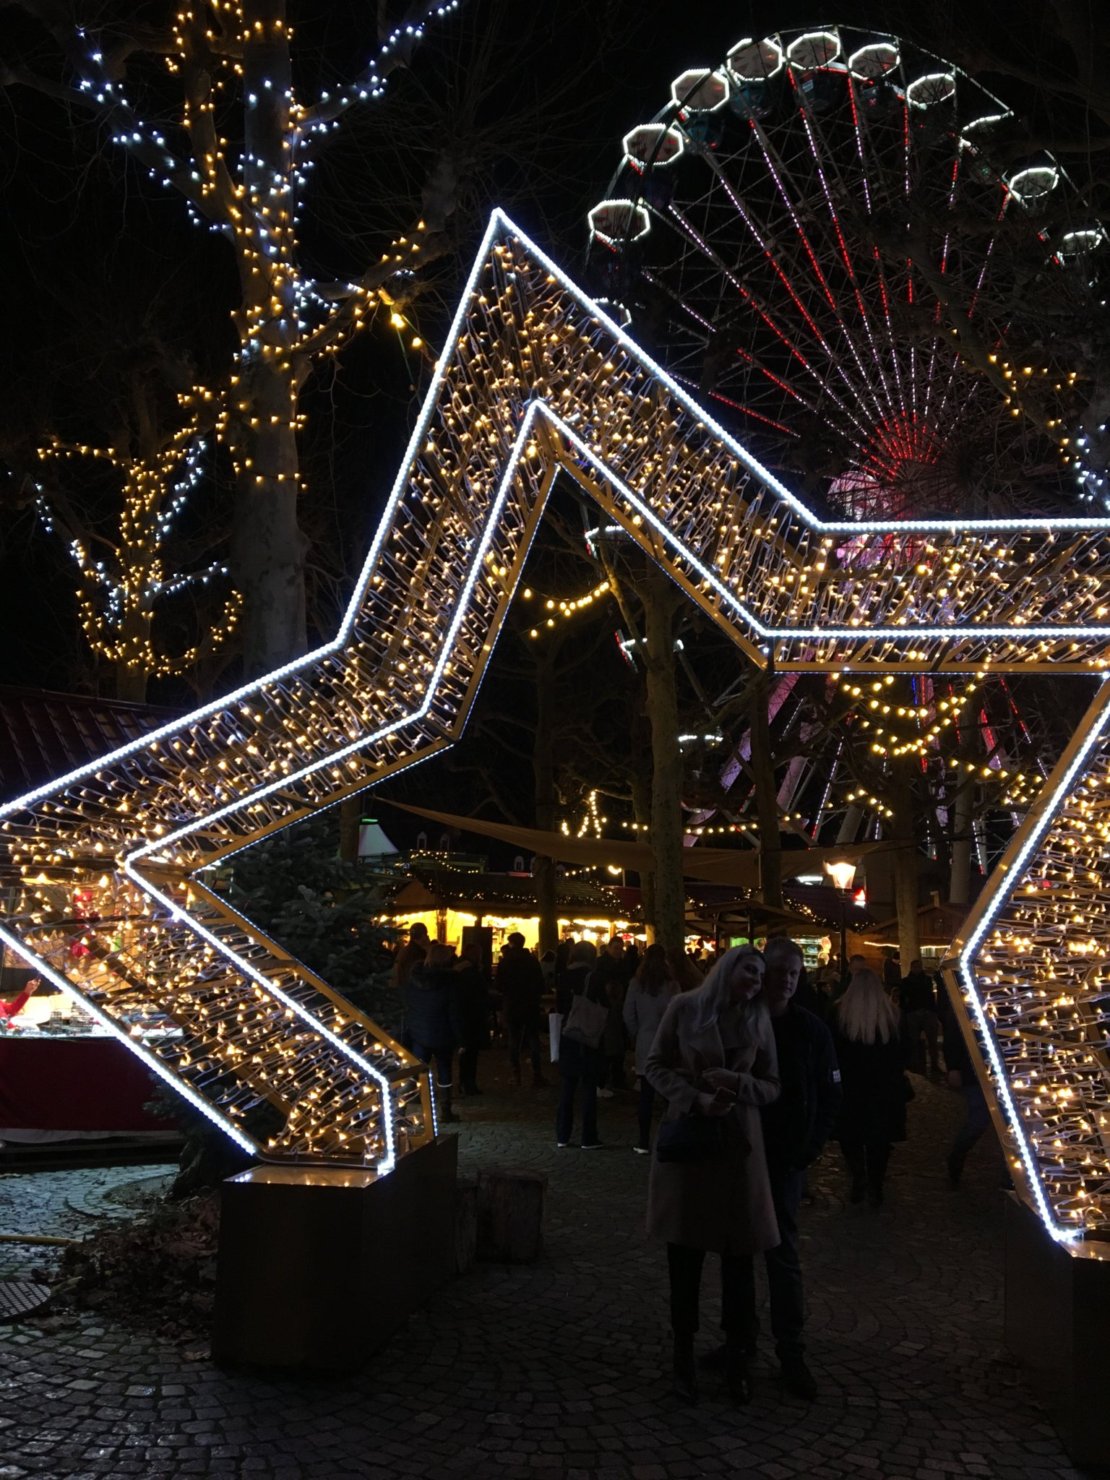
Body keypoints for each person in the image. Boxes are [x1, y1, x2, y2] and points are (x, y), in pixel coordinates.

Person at [645, 945, 780, 1406]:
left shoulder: (758, 1020)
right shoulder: (684, 1008)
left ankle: (737, 1359)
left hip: (738, 1151)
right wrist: (695, 1098)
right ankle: (682, 1357)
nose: (757, 980)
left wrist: (737, 1084)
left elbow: (772, 1084)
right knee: (683, 1258)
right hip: (690, 1147)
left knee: (739, 1263)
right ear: (727, 968)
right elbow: (654, 1064)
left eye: (762, 975)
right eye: (750, 969)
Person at [747, 937, 840, 1399]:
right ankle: (739, 1342)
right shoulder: (744, 1022)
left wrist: (812, 1146)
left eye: (794, 973)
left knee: (782, 1256)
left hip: (787, 1159)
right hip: (744, 1154)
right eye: (780, 971)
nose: (786, 980)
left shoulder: (812, 1031)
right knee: (738, 1252)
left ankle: (791, 1350)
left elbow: (829, 1093)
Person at [832, 967, 908, 1206]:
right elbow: (905, 1052)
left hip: (851, 1087)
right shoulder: (892, 1016)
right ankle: (876, 1183)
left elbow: (832, 1051)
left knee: (851, 1136)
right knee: (880, 1139)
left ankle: (858, 1176)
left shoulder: (839, 1014)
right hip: (885, 1087)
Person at [622, 943, 678, 1153]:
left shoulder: (636, 984)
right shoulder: (672, 985)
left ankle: (643, 1141)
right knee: (667, 1093)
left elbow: (628, 1014)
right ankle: (668, 1137)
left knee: (646, 1094)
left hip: (645, 1041)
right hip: (666, 1041)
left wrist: (636, 1033)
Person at [555, 940, 606, 1149]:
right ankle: (588, 1136)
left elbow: (560, 1005)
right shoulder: (593, 977)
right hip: (586, 1034)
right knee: (588, 1086)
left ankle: (562, 1135)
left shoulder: (563, 976)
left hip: (568, 1032)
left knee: (567, 1086)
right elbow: (603, 1003)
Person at [405, 942, 464, 1123]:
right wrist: (461, 1039)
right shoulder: (450, 982)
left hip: (419, 1031)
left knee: (415, 1071)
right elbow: (454, 1012)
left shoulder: (415, 979)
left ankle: (401, 1108)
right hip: (442, 1032)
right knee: (444, 1070)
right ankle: (445, 1109)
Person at [939, 982, 991, 1186]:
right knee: (978, 1120)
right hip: (974, 1072)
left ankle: (1011, 1178)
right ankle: (957, 1157)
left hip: (1000, 1073)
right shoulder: (964, 1010)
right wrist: (954, 1067)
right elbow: (953, 1039)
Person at [497, 932, 547, 1087]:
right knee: (533, 1039)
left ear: (511, 943)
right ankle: (536, 1074)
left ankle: (516, 1074)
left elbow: (499, 984)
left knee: (514, 1039)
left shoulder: (506, 961)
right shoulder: (532, 961)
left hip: (512, 1004)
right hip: (530, 1004)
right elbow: (540, 983)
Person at [592, 936, 631, 1095]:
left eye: (620, 948)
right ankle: (608, 1077)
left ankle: (615, 1076)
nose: (617, 951)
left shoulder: (621, 965)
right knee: (609, 1043)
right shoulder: (603, 965)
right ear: (608, 947)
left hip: (617, 1005)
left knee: (616, 1043)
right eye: (615, 948)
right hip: (607, 1006)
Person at [453, 942, 491, 1097]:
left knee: (467, 1052)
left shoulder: (461, 969)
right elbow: (477, 995)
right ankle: (467, 1083)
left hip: (466, 1014)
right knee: (470, 1053)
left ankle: (465, 1082)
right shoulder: (470, 972)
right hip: (471, 1016)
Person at [898, 958, 941, 1077]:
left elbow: (929, 996)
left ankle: (932, 1064)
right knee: (915, 1041)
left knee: (930, 1041)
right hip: (915, 1012)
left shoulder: (926, 980)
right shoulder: (908, 982)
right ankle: (918, 1064)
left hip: (923, 1012)